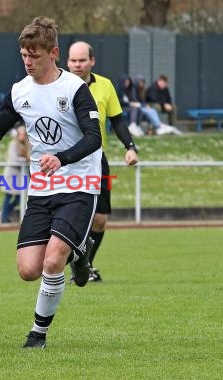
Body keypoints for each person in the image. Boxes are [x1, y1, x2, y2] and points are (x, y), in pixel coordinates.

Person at [0, 16, 101, 348]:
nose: (28, 61)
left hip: (79, 182)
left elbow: (95, 137)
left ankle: (38, 333)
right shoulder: (19, 91)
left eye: (34, 55)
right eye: (24, 54)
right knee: (28, 270)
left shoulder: (75, 90)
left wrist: (62, 157)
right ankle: (80, 252)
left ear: (53, 53)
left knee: (53, 260)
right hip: (40, 188)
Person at [67, 42, 139, 283]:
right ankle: (67, 260)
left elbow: (117, 120)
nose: (77, 65)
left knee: (100, 218)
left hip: (96, 159)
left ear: (92, 61)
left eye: (82, 60)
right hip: (64, 161)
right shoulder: (58, 85)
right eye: (73, 61)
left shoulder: (105, 85)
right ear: (67, 61)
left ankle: (86, 264)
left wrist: (130, 147)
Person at [0, 124, 29, 224]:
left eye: (24, 134)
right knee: (8, 196)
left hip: (21, 176)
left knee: (19, 198)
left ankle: (5, 212)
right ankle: (4, 217)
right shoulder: (13, 144)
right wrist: (25, 160)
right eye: (21, 134)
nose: (23, 136)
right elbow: (14, 159)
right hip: (11, 174)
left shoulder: (27, 145)